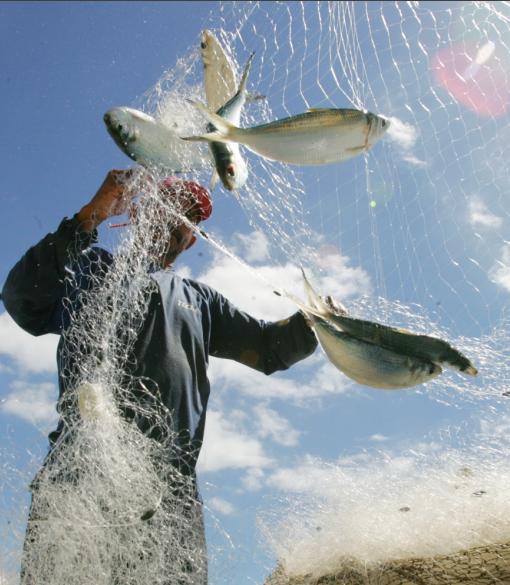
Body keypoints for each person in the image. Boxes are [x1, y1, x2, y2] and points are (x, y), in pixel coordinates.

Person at [1, 169, 318, 584]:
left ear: (190, 240)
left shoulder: (202, 302)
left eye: (188, 217)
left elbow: (270, 348)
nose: (176, 218)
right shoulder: (90, 269)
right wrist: (91, 214)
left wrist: (316, 322)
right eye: (166, 206)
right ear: (137, 213)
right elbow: (23, 299)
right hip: (81, 474)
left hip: (171, 491)